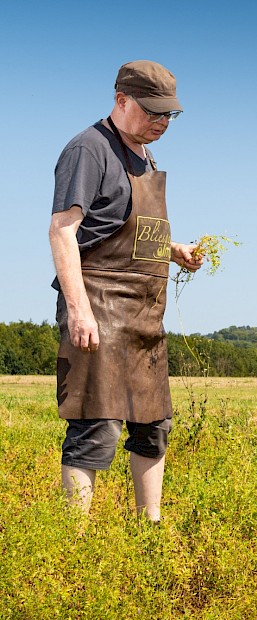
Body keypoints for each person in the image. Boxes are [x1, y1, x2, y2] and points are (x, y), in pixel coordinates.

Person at [48, 60, 204, 521]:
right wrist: (78, 310)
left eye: (168, 115)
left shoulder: (146, 156)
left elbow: (125, 229)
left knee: (154, 425)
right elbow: (62, 231)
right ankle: (71, 546)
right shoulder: (88, 149)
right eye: (153, 112)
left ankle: (148, 530)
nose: (161, 123)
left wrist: (175, 251)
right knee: (96, 426)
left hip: (144, 318)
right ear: (121, 100)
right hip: (99, 309)